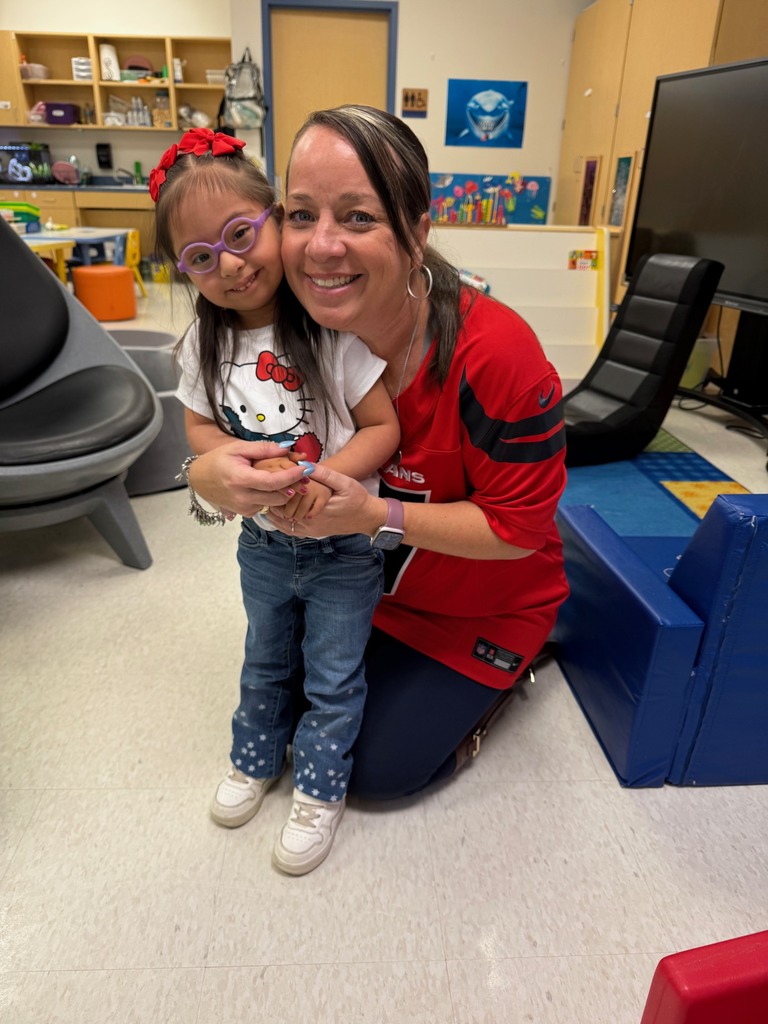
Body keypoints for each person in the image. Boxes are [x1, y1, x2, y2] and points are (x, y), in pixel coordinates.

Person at [182, 106, 569, 802]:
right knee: (293, 724)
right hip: (353, 591)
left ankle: (513, 673)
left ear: (417, 232)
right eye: (301, 215)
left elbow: (521, 533)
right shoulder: (285, 328)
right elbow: (214, 434)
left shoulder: (499, 359)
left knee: (371, 773)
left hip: (479, 607)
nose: (321, 247)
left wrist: (374, 516)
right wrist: (203, 476)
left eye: (359, 218)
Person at [150, 126, 400, 874]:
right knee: (263, 659)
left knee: (333, 674)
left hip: (345, 550)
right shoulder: (200, 344)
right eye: (200, 257)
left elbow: (383, 426)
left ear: (277, 218)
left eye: (239, 235)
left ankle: (320, 789)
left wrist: (331, 484)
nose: (228, 265)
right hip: (260, 545)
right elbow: (196, 425)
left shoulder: (329, 330)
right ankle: (255, 760)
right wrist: (218, 458)